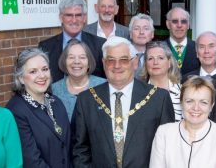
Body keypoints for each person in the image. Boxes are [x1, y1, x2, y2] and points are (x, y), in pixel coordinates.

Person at [72, 36, 175, 168]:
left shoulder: (158, 98)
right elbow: (80, 150)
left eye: (124, 60)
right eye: (111, 60)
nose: (117, 66)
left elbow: (169, 148)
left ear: (135, 62)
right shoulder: (87, 100)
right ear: (103, 63)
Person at [150, 76, 216, 168]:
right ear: (181, 103)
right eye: (189, 101)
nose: (196, 108)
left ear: (211, 106)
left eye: (203, 102)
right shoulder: (164, 133)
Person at [6, 48, 72, 167]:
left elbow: (69, 147)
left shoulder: (56, 102)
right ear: (21, 78)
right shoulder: (16, 111)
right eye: (33, 71)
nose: (42, 75)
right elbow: (31, 161)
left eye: (45, 69)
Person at [39, 0, 107, 81]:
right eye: (69, 15)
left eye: (78, 15)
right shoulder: (45, 47)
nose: (74, 20)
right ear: (61, 18)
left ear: (84, 18)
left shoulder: (99, 45)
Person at [51, 40, 106, 121]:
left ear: (89, 63)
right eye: (71, 57)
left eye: (82, 57)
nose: (76, 61)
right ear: (64, 62)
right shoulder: (54, 90)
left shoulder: (103, 85)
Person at [139, 41, 183, 121]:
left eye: (160, 58)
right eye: (150, 58)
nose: (155, 62)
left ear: (169, 62)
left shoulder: (183, 91)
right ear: (145, 64)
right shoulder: (138, 92)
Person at [164, 7, 200, 75]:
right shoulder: (159, 48)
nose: (179, 25)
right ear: (168, 24)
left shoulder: (198, 48)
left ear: (188, 25)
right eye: (175, 21)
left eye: (183, 21)